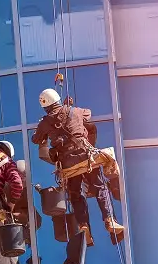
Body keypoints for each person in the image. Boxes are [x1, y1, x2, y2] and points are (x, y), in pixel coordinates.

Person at [31, 88, 125, 243]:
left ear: (45, 106)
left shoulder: (44, 123)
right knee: (100, 187)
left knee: (76, 195)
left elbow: (36, 139)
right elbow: (88, 114)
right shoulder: (75, 111)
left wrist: (43, 128)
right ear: (58, 100)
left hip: (68, 165)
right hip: (86, 158)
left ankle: (83, 226)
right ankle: (109, 220)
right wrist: (70, 109)